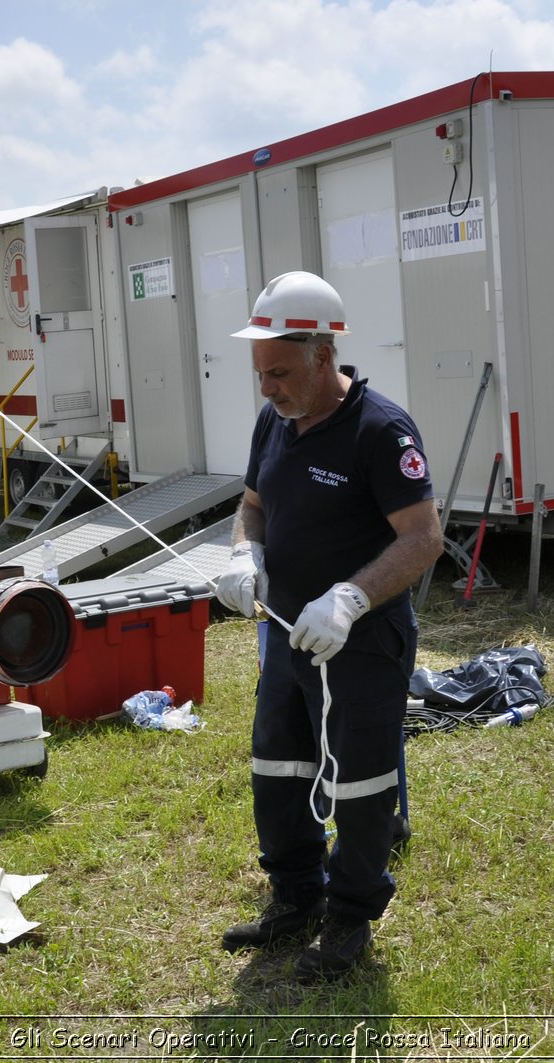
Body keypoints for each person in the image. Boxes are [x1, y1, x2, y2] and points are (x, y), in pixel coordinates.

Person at [215, 271, 442, 981]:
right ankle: (295, 893)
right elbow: (252, 504)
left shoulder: (381, 430)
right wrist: (243, 550)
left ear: (322, 354)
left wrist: (349, 598)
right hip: (286, 630)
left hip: (359, 639)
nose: (267, 387)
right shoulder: (274, 421)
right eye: (260, 373)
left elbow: (423, 538)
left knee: (360, 779)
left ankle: (350, 914)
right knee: (277, 764)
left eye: (279, 372)